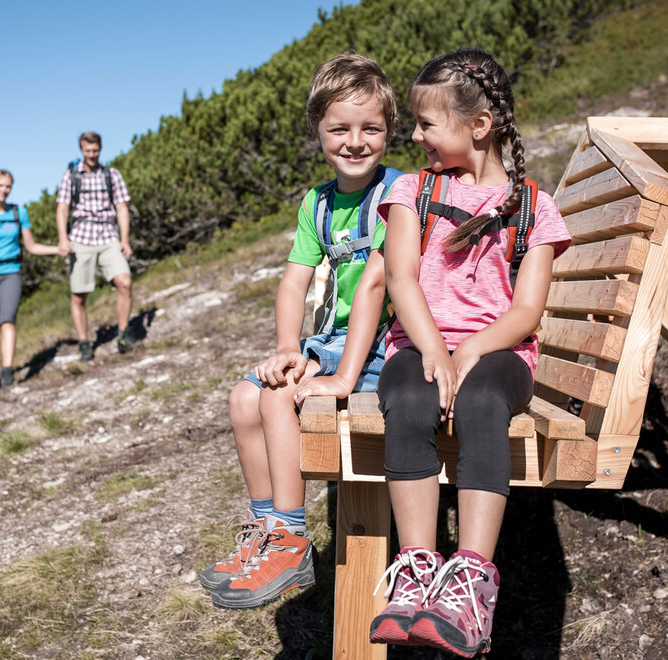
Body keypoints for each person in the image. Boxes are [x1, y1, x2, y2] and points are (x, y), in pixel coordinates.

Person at [368, 48, 571, 657]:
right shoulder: (412, 191)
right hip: (418, 342)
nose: (415, 135)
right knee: (409, 398)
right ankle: (416, 571)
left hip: (499, 351)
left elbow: (525, 313)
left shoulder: (535, 209)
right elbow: (401, 279)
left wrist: (470, 352)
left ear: (479, 125)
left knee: (482, 403)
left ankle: (471, 585)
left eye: (426, 124)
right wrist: (435, 349)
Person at [202, 52, 403, 610]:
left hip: (384, 344)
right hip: (330, 340)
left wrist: (340, 374)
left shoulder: (398, 195)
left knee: (278, 395)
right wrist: (289, 346)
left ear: (390, 131)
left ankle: (291, 540)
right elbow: (294, 284)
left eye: (371, 128)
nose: (355, 142)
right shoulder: (317, 204)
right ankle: (265, 527)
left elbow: (377, 289)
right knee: (243, 397)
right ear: (317, 131)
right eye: (339, 129)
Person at [0, 169, 63, 391]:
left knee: (8, 320)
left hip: (11, 272)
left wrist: (57, 249)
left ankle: (7, 370)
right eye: (0, 185)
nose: (4, 190)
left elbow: (31, 246)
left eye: (8, 186)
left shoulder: (19, 213)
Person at [55, 131, 137, 361]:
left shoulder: (112, 175)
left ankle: (123, 335)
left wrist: (124, 239)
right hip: (81, 237)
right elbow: (62, 209)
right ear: (81, 150)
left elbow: (122, 207)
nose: (91, 155)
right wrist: (63, 238)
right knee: (79, 295)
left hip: (108, 235)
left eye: (95, 150)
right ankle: (84, 343)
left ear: (100, 149)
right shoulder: (71, 176)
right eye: (87, 151)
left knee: (125, 282)